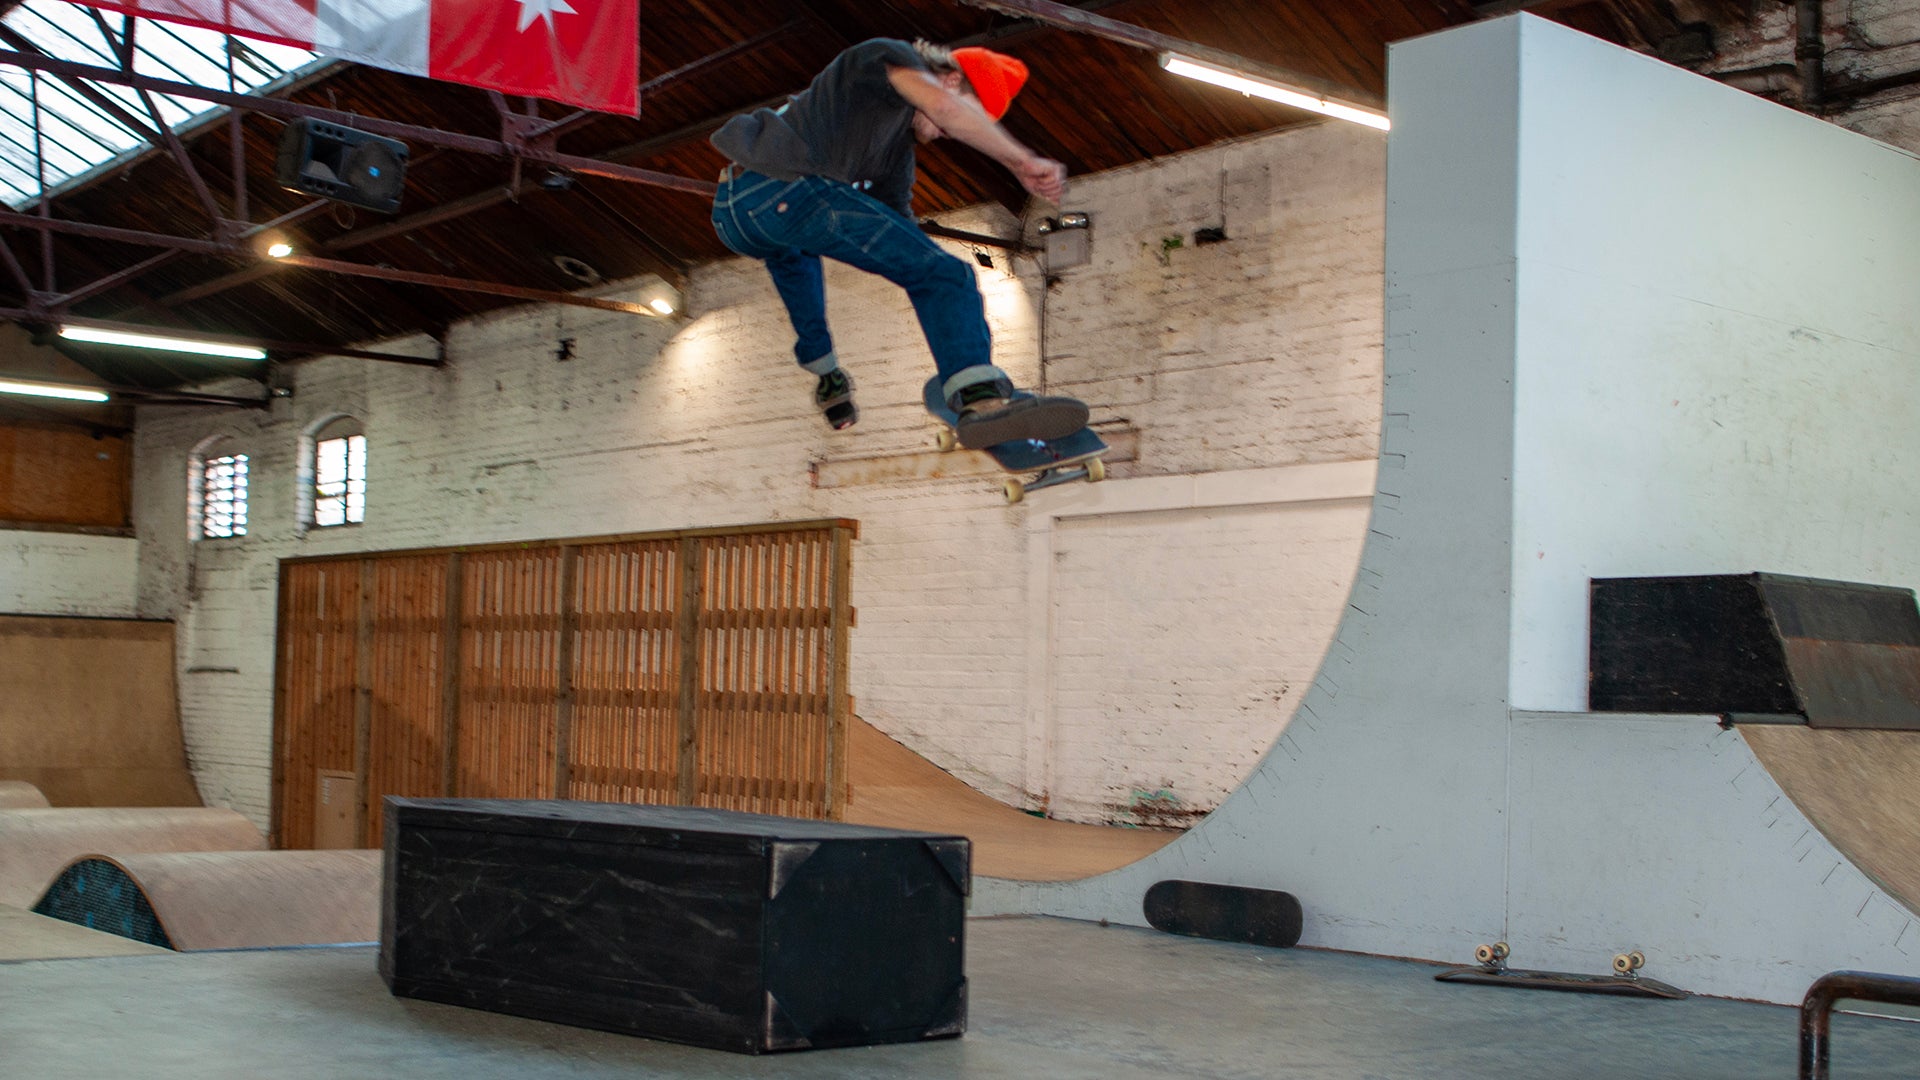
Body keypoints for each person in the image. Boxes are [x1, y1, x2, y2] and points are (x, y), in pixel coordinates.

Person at [710, 38, 1088, 449]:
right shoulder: (885, 57)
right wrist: (1022, 161)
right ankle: (980, 397)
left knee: (798, 259)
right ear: (949, 80)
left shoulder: (893, 154)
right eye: (957, 118)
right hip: (782, 188)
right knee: (949, 274)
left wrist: (916, 263)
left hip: (740, 218)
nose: (946, 133)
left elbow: (897, 229)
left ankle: (828, 377)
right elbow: (944, 107)